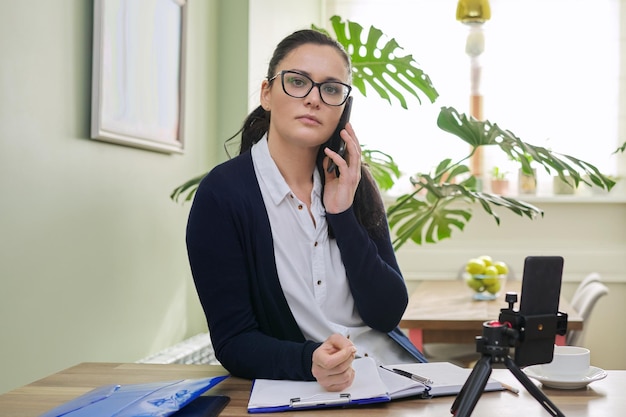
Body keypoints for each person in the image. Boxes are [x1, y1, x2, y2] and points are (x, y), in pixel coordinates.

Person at [186, 28, 425, 393]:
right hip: (309, 388)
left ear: (342, 108)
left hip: (397, 377)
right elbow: (233, 341)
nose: (313, 99)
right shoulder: (223, 196)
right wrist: (308, 361)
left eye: (331, 89)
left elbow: (387, 313)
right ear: (267, 93)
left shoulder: (354, 183)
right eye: (298, 82)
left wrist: (342, 215)